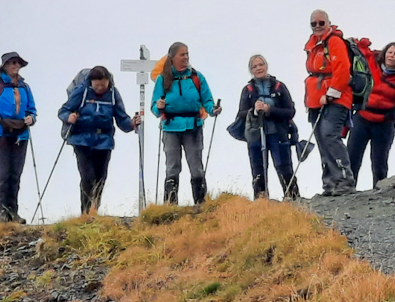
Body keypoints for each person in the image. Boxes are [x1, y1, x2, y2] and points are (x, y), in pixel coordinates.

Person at [58, 66, 142, 215]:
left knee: (100, 178)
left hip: (104, 141)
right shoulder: (82, 92)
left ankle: (94, 211)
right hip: (81, 140)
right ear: (91, 82)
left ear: (109, 81)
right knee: (88, 176)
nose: (101, 88)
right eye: (97, 85)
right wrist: (69, 117)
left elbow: (121, 118)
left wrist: (132, 123)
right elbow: (63, 110)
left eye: (104, 85)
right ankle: (86, 212)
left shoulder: (113, 94)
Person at [150, 42, 222, 205]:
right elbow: (154, 106)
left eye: (187, 54)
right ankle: (171, 204)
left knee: (196, 165)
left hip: (192, 126)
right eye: (182, 54)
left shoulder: (197, 77)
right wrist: (158, 107)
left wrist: (213, 110)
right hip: (171, 127)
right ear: (172, 57)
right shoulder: (162, 79)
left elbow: (207, 99)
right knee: (172, 166)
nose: (186, 57)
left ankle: (200, 202)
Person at [347, 41, 395, 189]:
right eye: (390, 52)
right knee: (352, 156)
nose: (391, 56)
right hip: (362, 118)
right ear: (384, 54)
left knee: (379, 161)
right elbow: (362, 52)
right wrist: (361, 43)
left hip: (385, 123)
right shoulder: (372, 65)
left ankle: (379, 192)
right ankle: (348, 190)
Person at [304, 9, 357, 196]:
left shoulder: (334, 41)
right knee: (321, 139)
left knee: (329, 136)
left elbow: (342, 69)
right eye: (314, 23)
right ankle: (330, 183)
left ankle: (344, 180)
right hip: (316, 101)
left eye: (321, 23)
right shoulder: (313, 45)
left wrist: (331, 94)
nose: (318, 26)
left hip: (336, 98)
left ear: (328, 23)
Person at [0, 52, 37, 223]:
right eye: (12, 63)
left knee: (15, 173)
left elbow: (32, 109)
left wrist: (31, 118)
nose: (15, 66)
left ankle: (13, 213)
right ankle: (2, 213)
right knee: (4, 173)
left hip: (21, 134)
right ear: (5, 66)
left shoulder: (25, 87)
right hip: (0, 133)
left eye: (17, 63)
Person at [236, 55, 300, 200]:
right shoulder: (248, 90)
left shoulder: (279, 86)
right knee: (258, 170)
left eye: (261, 64)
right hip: (256, 136)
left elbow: (290, 111)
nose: (258, 68)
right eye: (255, 66)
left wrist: (269, 110)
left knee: (284, 167)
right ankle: (261, 201)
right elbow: (241, 113)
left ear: (266, 66)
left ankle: (294, 199)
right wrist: (254, 111)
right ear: (251, 70)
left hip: (278, 134)